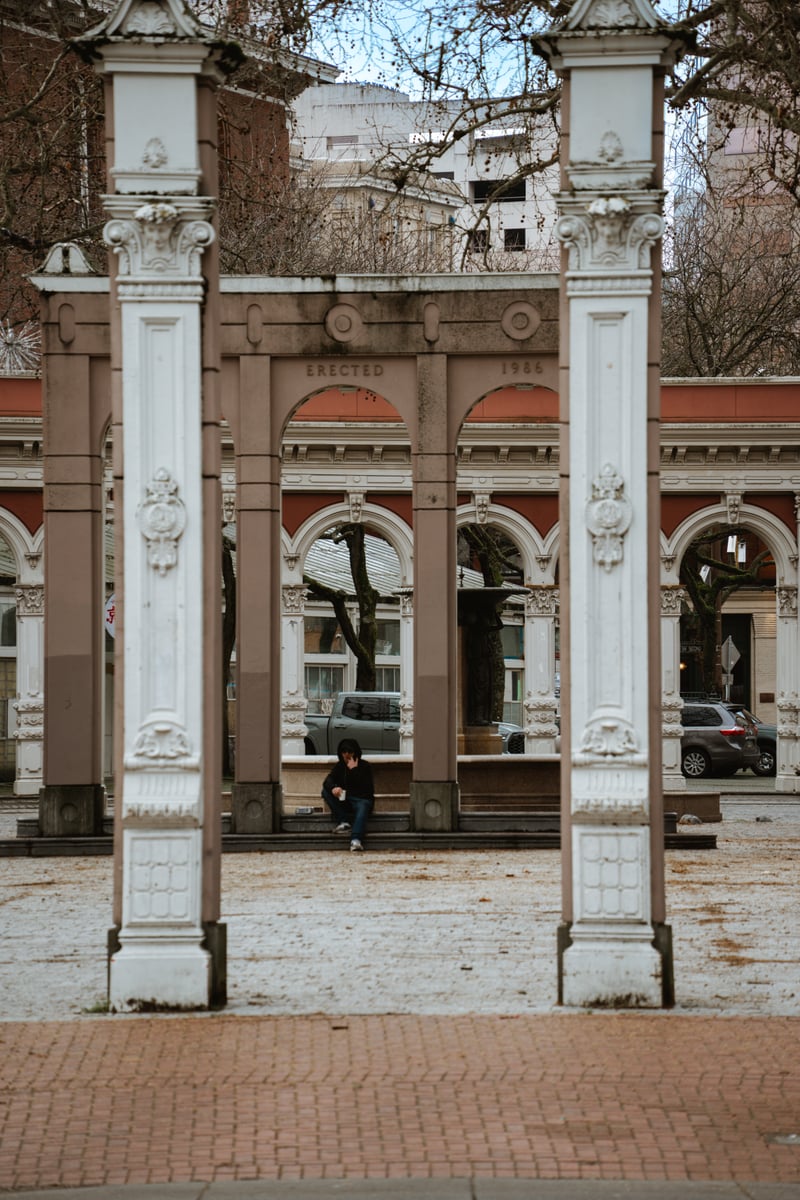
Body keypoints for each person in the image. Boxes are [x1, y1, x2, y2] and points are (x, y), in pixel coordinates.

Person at [321, 738, 374, 852]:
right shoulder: (340, 766)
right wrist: (334, 788)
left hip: (361, 799)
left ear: (355, 753)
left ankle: (356, 839)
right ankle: (344, 822)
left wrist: (354, 770)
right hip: (346, 799)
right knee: (325, 791)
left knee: (363, 805)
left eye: (350, 752)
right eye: (344, 752)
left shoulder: (365, 766)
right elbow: (327, 781)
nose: (347, 755)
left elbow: (367, 789)